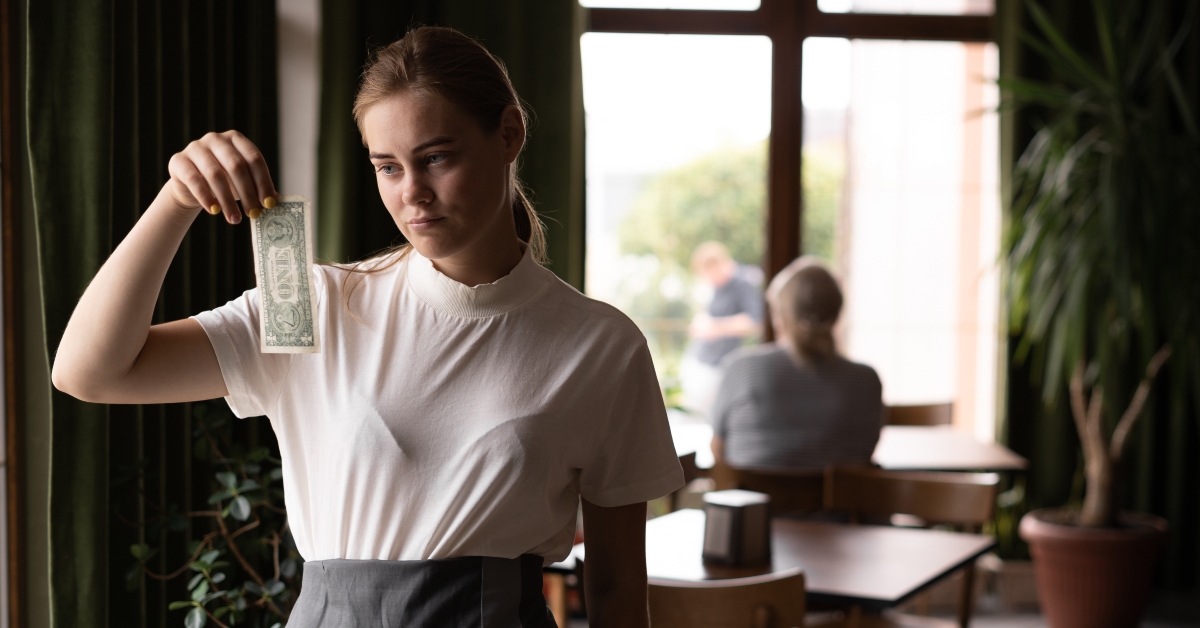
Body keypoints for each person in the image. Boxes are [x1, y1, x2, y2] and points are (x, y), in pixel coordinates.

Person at [51, 27, 683, 628]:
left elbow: (618, 592)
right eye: (387, 166)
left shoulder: (603, 346)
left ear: (509, 133)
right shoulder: (316, 305)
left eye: (437, 158)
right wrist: (177, 198)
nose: (414, 193)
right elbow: (90, 372)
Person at [709, 257, 883, 471]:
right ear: (838, 312)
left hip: (754, 503)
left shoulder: (740, 369)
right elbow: (866, 454)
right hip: (841, 505)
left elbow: (718, 451)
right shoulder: (867, 381)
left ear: (781, 316)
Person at [679, 241, 763, 415]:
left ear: (716, 264)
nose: (707, 278)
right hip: (704, 359)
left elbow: (754, 321)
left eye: (707, 272)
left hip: (722, 366)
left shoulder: (742, 283)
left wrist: (715, 327)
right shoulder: (719, 288)